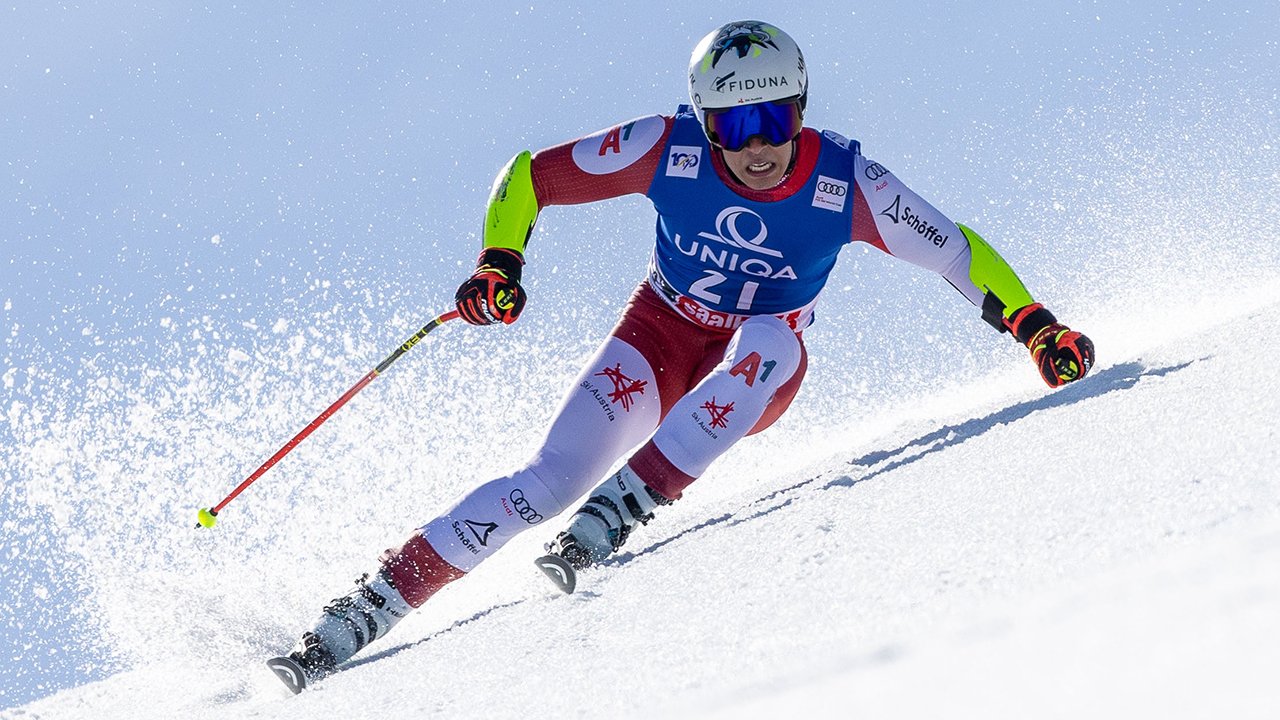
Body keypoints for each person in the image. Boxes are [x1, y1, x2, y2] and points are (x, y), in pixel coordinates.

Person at [267, 20, 1094, 692]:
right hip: (660, 334)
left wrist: (1035, 327)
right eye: (735, 125)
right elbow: (528, 177)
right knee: (547, 482)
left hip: (758, 362)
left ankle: (630, 503)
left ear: (800, 110)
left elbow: (954, 251)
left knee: (768, 341)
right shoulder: (668, 150)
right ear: (706, 121)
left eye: (774, 119)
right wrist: (500, 262)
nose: (757, 144)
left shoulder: (846, 179)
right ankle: (369, 605)